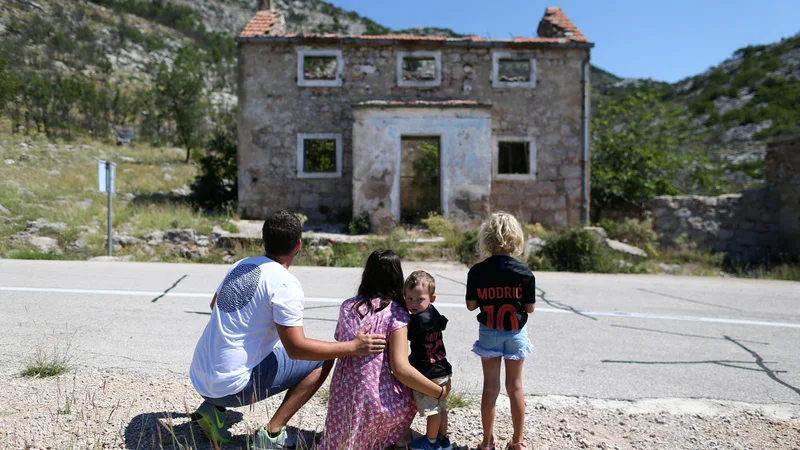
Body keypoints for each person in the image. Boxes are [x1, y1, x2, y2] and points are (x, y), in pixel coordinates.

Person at [188, 210, 387, 449]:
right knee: (322, 359)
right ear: (298, 245)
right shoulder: (284, 283)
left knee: (247, 349)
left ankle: (211, 409)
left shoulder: (241, 266)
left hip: (199, 378)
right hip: (232, 387)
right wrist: (353, 347)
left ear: (264, 241)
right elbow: (297, 349)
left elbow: (214, 305)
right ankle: (271, 433)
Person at [319, 250, 451, 450]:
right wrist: (439, 392)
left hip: (343, 399)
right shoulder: (396, 312)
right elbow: (400, 369)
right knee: (414, 388)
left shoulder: (347, 307)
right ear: (397, 277)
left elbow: (340, 339)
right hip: (377, 403)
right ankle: (400, 436)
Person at [466, 212, 536, 450]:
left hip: (489, 330)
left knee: (490, 387)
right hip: (516, 331)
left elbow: (471, 305)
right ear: (516, 238)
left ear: (486, 238)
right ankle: (517, 441)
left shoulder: (477, 272)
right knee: (515, 386)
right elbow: (530, 308)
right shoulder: (524, 272)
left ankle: (486, 441)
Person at [404, 270, 454, 450]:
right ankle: (442, 439)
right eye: (409, 298)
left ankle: (431, 442)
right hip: (442, 369)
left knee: (433, 411)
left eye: (419, 299)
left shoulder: (417, 321)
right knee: (441, 408)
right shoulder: (433, 313)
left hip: (428, 373)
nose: (413, 304)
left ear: (432, 298)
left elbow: (403, 336)